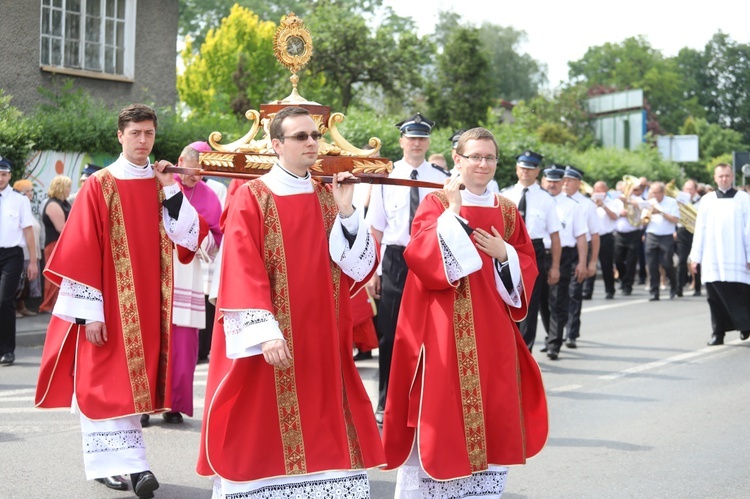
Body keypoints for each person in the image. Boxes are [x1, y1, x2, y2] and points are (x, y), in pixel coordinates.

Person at [196, 106, 385, 497]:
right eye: (301, 137)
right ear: (276, 145)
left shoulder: (328, 194)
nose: (312, 142)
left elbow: (357, 265)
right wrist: (265, 332)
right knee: (262, 423)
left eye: (315, 135)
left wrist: (349, 211)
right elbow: (241, 266)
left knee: (325, 425)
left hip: (323, 335)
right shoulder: (253, 196)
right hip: (275, 336)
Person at [35, 103, 203, 497]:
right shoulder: (100, 185)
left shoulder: (161, 183)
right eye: (135, 133)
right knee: (105, 382)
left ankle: (121, 465)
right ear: (120, 136)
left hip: (150, 302)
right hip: (108, 302)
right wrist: (90, 313)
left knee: (133, 382)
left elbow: (190, 236)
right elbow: (81, 250)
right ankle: (134, 467)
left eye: (149, 133)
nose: (143, 140)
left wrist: (170, 189)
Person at [382, 127, 547, 498]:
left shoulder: (506, 209)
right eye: (475, 157)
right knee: (444, 414)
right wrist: (454, 216)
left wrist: (505, 254)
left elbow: (527, 264)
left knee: (490, 414)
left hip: (493, 331)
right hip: (443, 329)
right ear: (457, 159)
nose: (483, 164)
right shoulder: (436, 203)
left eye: (490, 157)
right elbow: (421, 259)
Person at [364, 112, 449, 425]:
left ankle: (427, 399)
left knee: (431, 332)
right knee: (390, 333)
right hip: (396, 259)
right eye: (411, 137)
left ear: (428, 142)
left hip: (431, 258)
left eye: (422, 138)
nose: (417, 143)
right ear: (401, 141)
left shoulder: (441, 179)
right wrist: (372, 271)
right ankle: (386, 401)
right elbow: (376, 228)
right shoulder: (386, 175)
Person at [141, 141, 223, 427]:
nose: (195, 177)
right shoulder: (155, 184)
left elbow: (214, 241)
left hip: (187, 273)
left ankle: (174, 405)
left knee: (183, 346)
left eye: (202, 172)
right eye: (192, 169)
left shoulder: (210, 196)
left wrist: (194, 226)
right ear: (180, 161)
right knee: (149, 339)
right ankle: (144, 403)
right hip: (155, 270)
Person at [501, 150, 561, 352]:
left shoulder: (546, 199)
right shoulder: (505, 194)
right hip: (507, 249)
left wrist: (555, 267)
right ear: (516, 169)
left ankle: (525, 350)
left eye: (530, 168)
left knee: (530, 302)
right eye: (522, 167)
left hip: (533, 251)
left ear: (537, 171)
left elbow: (554, 236)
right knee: (507, 299)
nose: (525, 172)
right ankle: (509, 346)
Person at [689, 164, 750, 346]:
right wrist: (695, 256)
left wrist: (749, 256)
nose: (724, 179)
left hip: (736, 255)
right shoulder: (707, 200)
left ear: (732, 177)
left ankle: (745, 325)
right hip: (712, 257)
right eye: (720, 176)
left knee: (739, 294)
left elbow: (749, 230)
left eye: (727, 175)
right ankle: (718, 333)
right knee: (714, 297)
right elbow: (700, 229)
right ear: (715, 178)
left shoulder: (743, 199)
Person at [539, 166, 587, 360]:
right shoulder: (539, 202)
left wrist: (583, 262)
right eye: (548, 181)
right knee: (541, 301)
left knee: (558, 300)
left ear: (561, 183)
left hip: (563, 255)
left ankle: (554, 343)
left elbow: (582, 236)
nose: (552, 185)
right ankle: (551, 335)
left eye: (556, 181)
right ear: (543, 181)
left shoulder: (572, 206)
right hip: (539, 253)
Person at [0, 156, 39, 366]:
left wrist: (33, 261)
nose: (0, 178)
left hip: (12, 255)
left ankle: (7, 350)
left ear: (10, 176)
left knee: (5, 300)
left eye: (4, 174)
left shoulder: (19, 199)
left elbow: (28, 231)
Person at [562, 166, 599, 348]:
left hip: (579, 252)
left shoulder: (586, 204)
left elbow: (595, 235)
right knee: (558, 295)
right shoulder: (555, 201)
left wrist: (591, 262)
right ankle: (557, 332)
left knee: (574, 293)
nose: (565, 183)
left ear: (578, 183)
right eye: (564, 179)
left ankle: (571, 333)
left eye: (570, 180)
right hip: (560, 252)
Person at [38, 175, 72, 313]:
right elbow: (61, 228)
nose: (70, 189)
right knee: (54, 275)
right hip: (55, 244)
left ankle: (57, 304)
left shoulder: (63, 203)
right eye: (68, 186)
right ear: (61, 188)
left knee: (63, 275)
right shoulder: (53, 204)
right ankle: (48, 304)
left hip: (61, 244)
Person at [643, 181, 680, 301]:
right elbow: (643, 221)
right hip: (652, 235)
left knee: (667, 264)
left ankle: (674, 285)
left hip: (666, 236)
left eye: (656, 193)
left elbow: (675, 219)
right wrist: (646, 217)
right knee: (652, 265)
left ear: (662, 192)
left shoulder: (671, 202)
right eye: (652, 192)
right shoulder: (649, 202)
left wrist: (661, 213)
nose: (654, 195)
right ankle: (654, 292)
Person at [12, 179, 42, 318]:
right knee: (19, 281)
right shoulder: (17, 206)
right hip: (22, 251)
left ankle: (21, 306)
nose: (30, 194)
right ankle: (14, 308)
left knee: (26, 282)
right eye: (26, 191)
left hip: (32, 252)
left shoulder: (29, 208)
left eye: (31, 190)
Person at [586, 180, 618, 299]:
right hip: (592, 237)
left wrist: (603, 206)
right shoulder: (589, 203)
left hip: (606, 237)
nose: (597, 192)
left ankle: (610, 290)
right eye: (596, 190)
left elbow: (615, 217)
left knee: (607, 265)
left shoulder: (611, 202)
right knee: (590, 263)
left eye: (600, 190)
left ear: (606, 191)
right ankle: (587, 291)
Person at [676, 178, 701, 296]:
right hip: (682, 232)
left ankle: (697, 287)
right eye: (686, 188)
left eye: (691, 189)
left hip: (696, 233)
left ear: (695, 190)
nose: (688, 191)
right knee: (681, 261)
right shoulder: (679, 201)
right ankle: (679, 287)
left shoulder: (701, 201)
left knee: (696, 260)